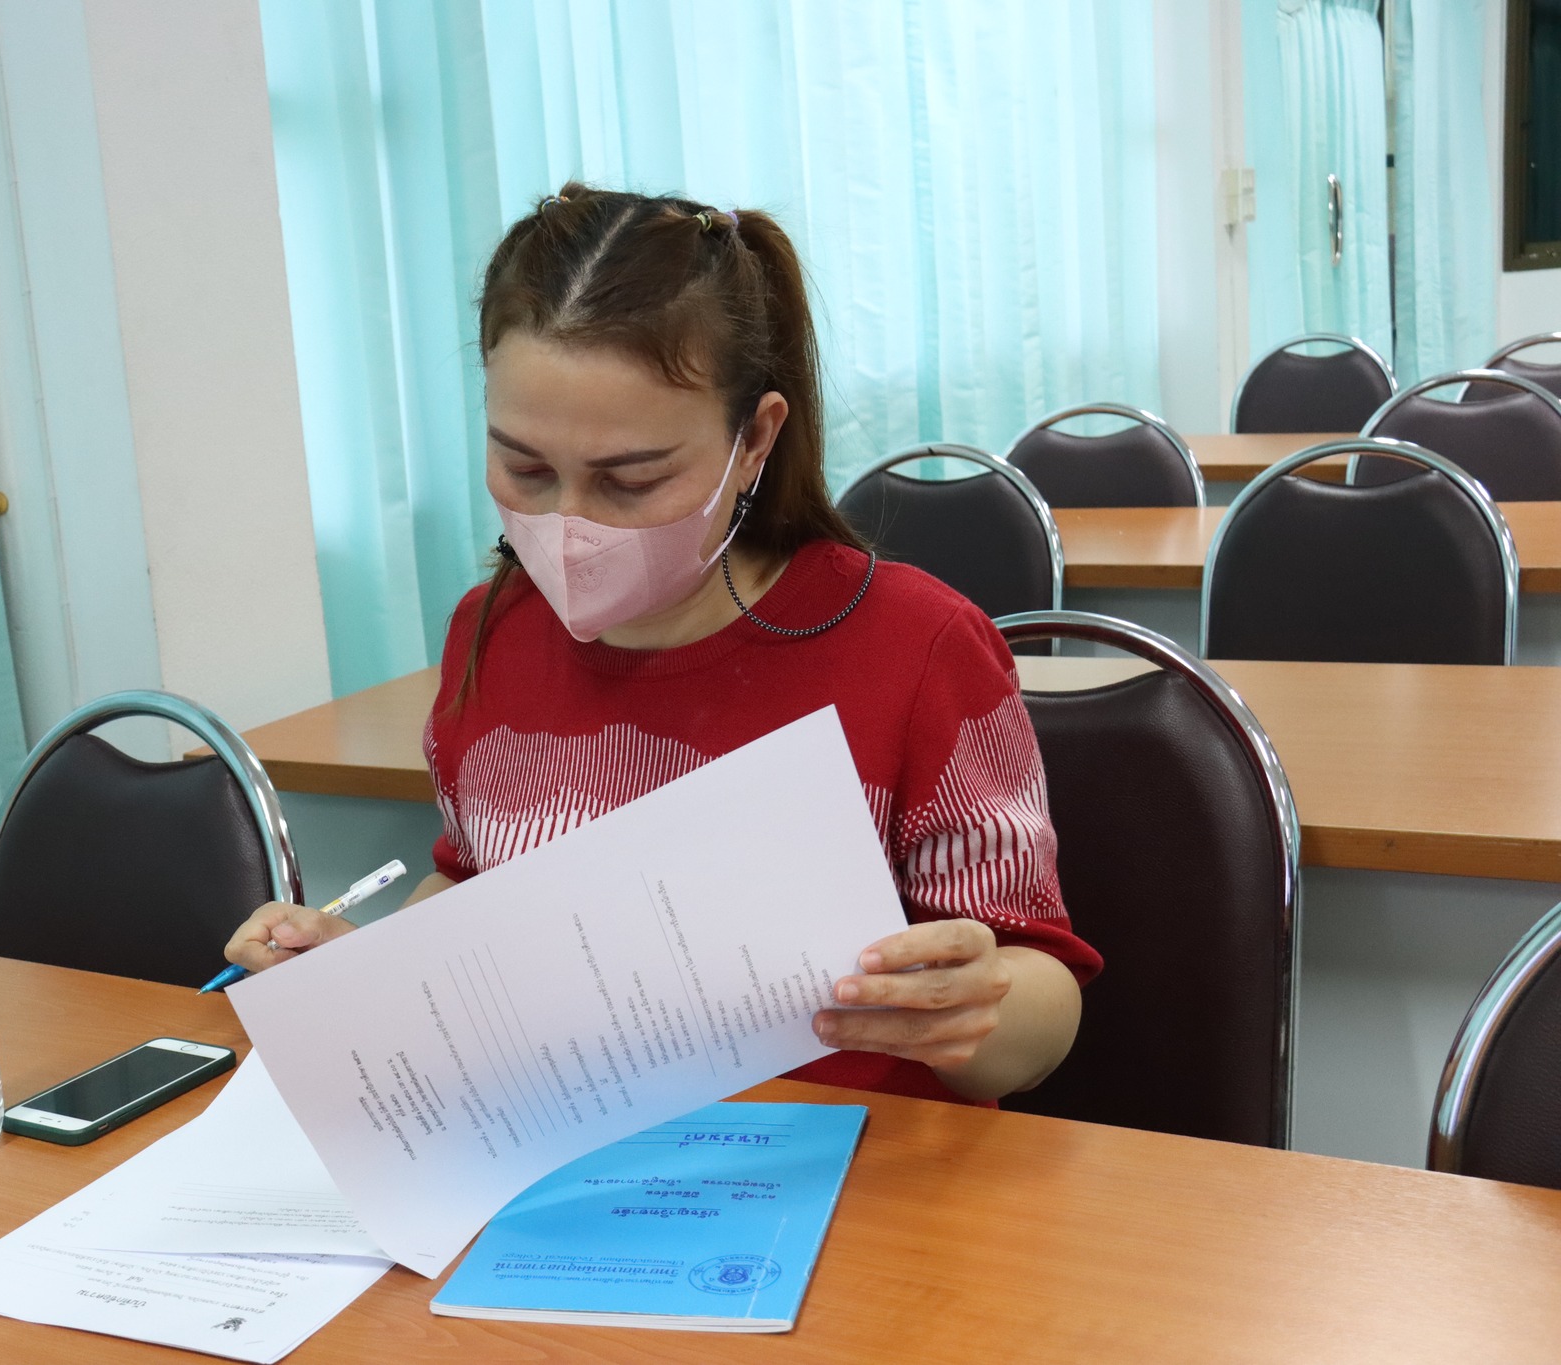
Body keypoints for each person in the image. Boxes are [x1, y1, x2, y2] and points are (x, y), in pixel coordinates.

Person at [225, 183, 1099, 1104]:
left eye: (631, 480)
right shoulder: (493, 631)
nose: (569, 522)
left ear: (754, 440)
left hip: (852, 1162)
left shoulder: (916, 647)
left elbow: (1042, 996)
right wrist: (365, 977)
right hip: (562, 1146)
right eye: (525, 466)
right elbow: (474, 883)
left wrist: (973, 1011)